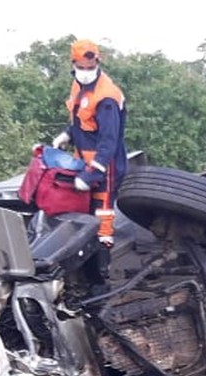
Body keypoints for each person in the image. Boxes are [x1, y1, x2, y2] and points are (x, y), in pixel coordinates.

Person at [51, 38, 128, 289]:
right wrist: (67, 134)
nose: (84, 72)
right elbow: (80, 120)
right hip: (83, 159)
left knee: (102, 218)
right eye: (80, 68)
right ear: (73, 64)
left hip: (105, 166)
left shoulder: (107, 97)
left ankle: (101, 276)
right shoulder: (79, 87)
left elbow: (108, 141)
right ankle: (83, 269)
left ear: (97, 62)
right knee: (82, 215)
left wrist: (91, 174)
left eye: (88, 67)